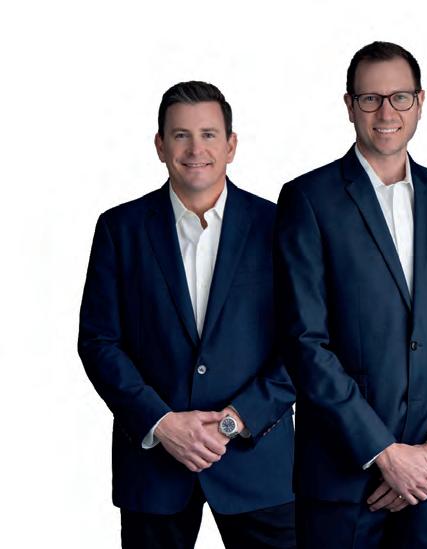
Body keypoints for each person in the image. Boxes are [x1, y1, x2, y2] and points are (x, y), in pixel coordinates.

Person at [274, 41, 427, 549]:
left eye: (399, 97)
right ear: (349, 105)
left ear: (420, 102)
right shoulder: (308, 199)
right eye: (370, 99)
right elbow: (303, 341)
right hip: (340, 476)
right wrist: (385, 453)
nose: (386, 112)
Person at [78, 81, 296, 549]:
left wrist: (236, 419)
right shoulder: (120, 229)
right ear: (160, 146)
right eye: (181, 135)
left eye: (209, 134)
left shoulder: (280, 226)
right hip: (154, 468)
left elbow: (305, 340)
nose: (196, 149)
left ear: (231, 145)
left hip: (259, 464)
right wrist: (162, 422)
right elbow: (99, 342)